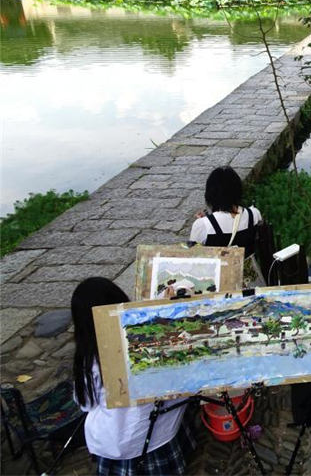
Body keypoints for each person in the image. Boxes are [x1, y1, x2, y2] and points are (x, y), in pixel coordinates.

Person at [72, 277, 195, 475]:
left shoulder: (90, 359)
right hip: (160, 433)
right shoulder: (149, 331)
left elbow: (85, 404)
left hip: (118, 443)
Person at [190, 166, 263, 281]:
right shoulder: (254, 214)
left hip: (218, 283)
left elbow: (193, 260)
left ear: (210, 194)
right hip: (248, 280)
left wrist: (204, 221)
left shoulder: (201, 225)